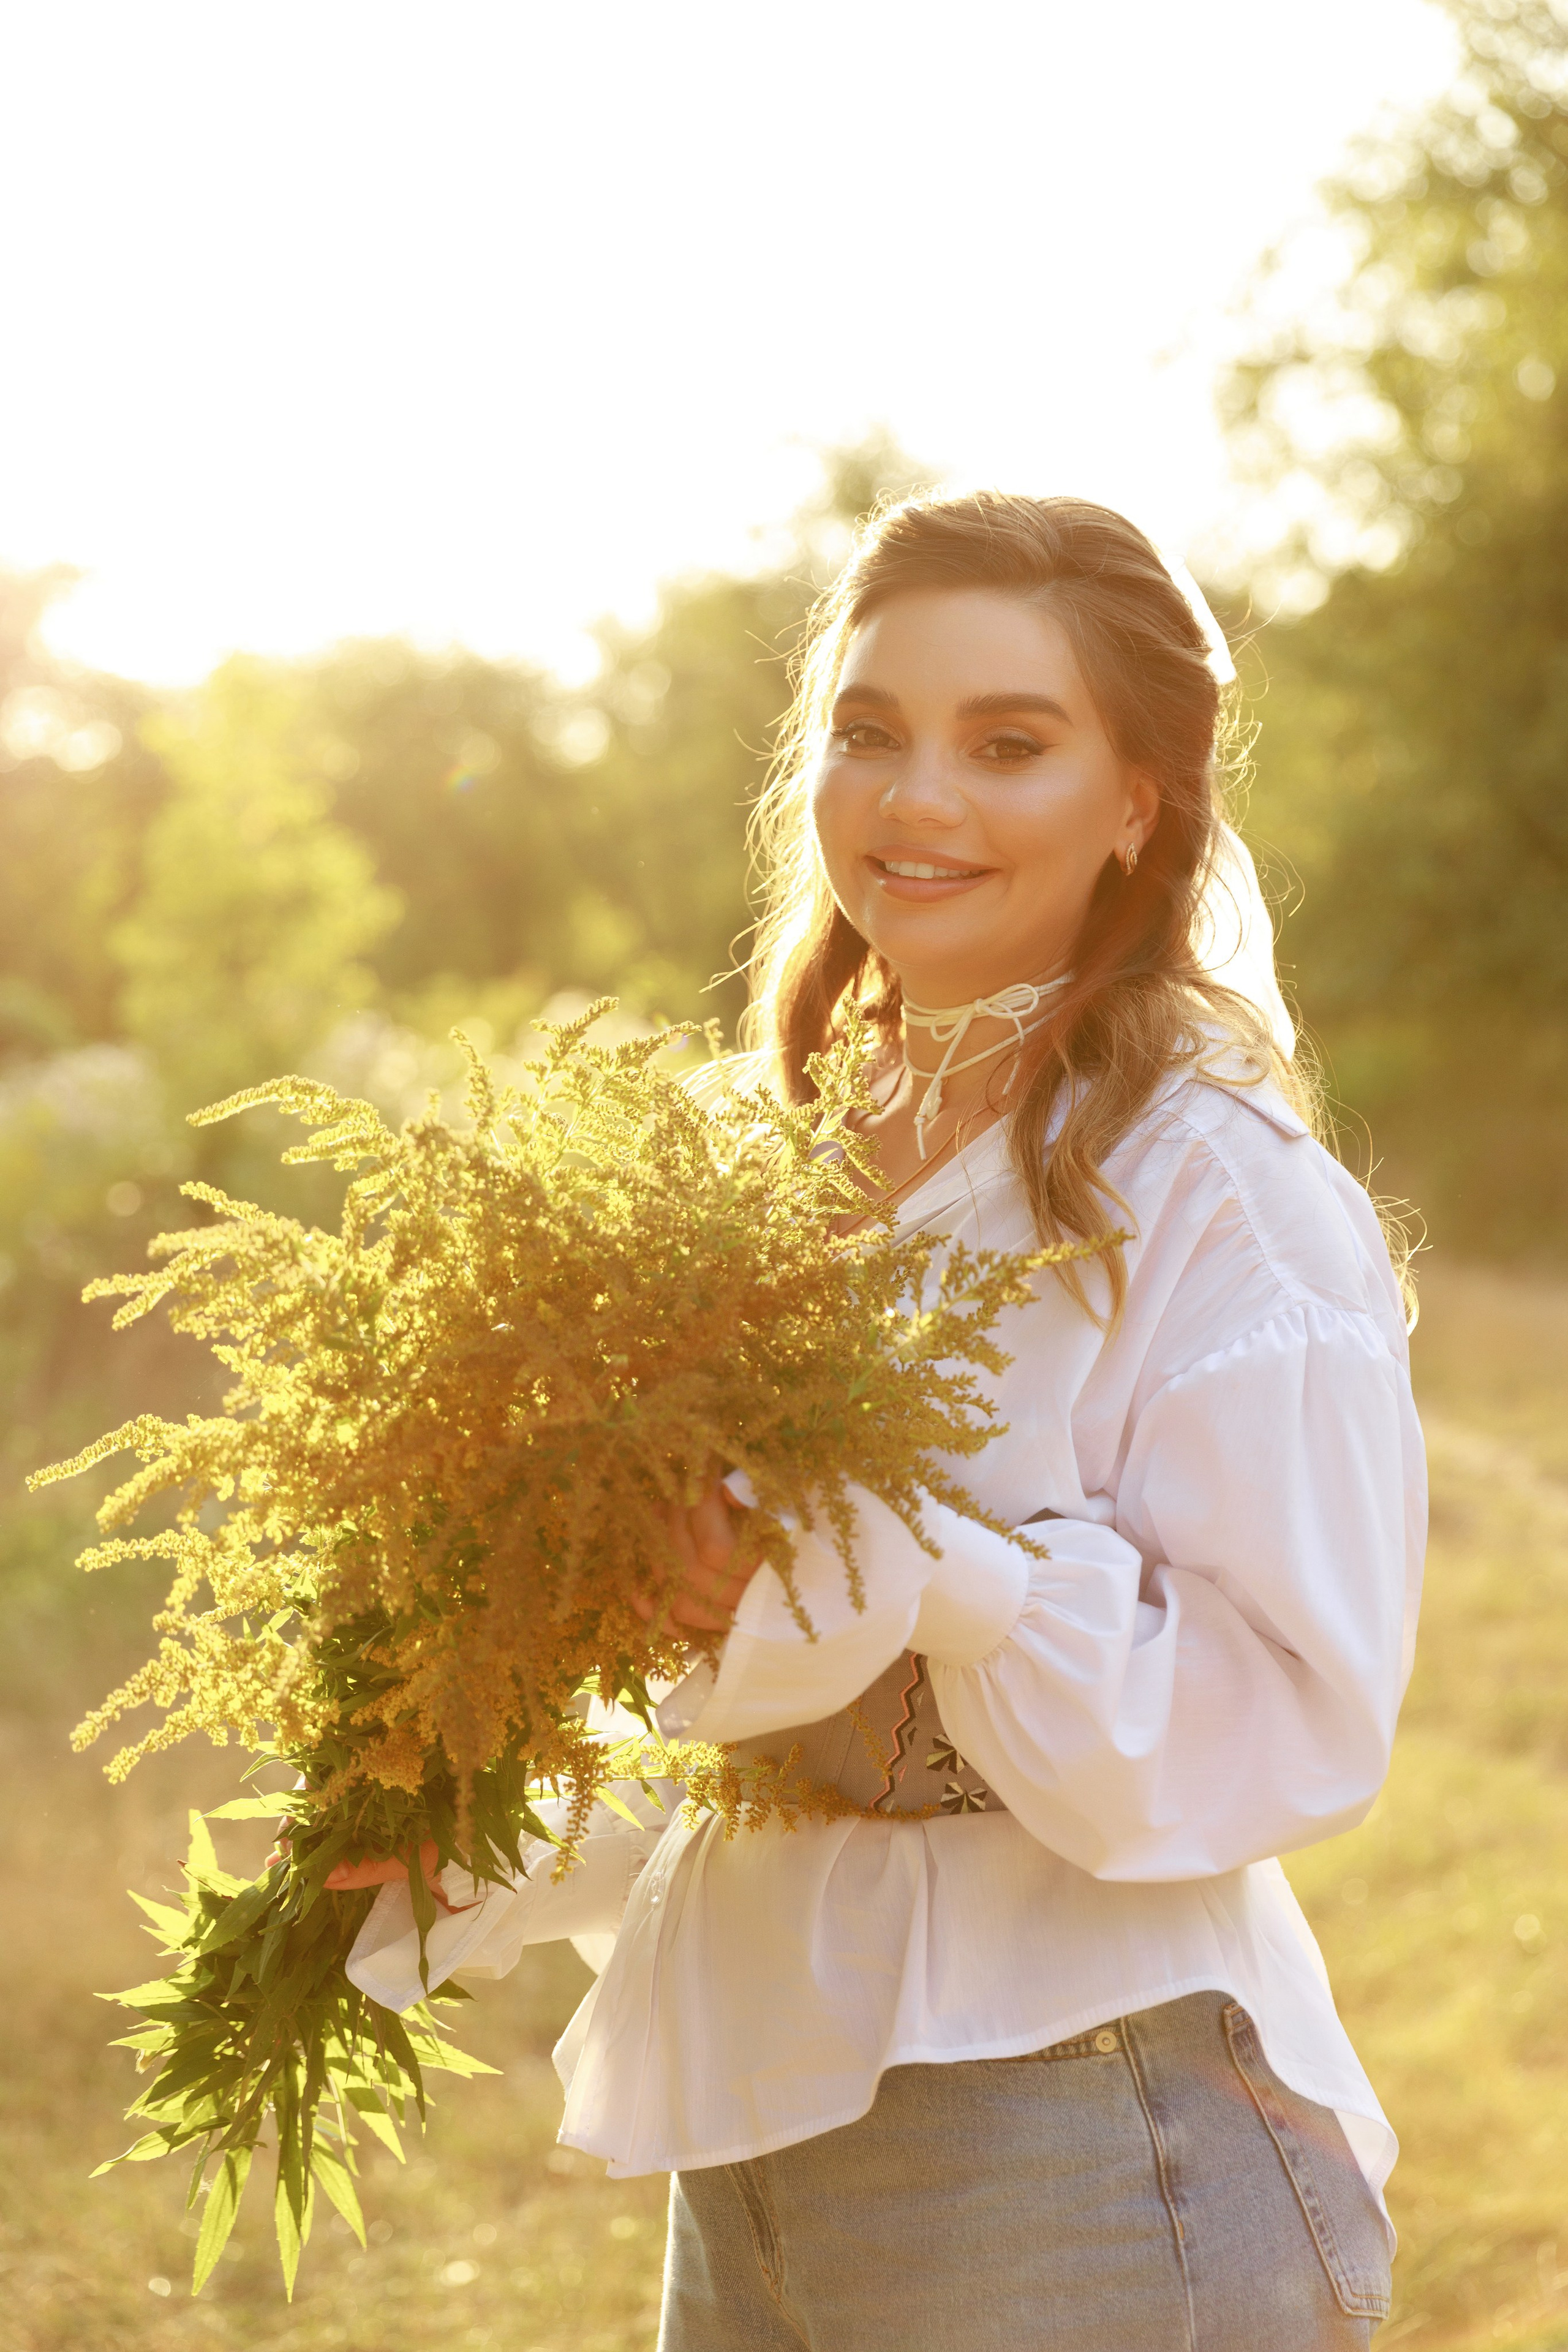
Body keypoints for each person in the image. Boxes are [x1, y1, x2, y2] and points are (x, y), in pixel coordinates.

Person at [337, 494, 1423, 2350]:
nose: (917, 799)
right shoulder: (746, 1165)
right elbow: (761, 1731)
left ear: (1139, 802)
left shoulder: (1219, 1193)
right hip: (762, 2140)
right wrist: (480, 1819)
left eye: (1008, 744)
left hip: (1090, 2139)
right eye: (869, 731)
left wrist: (937, 1573)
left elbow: (1285, 1725)